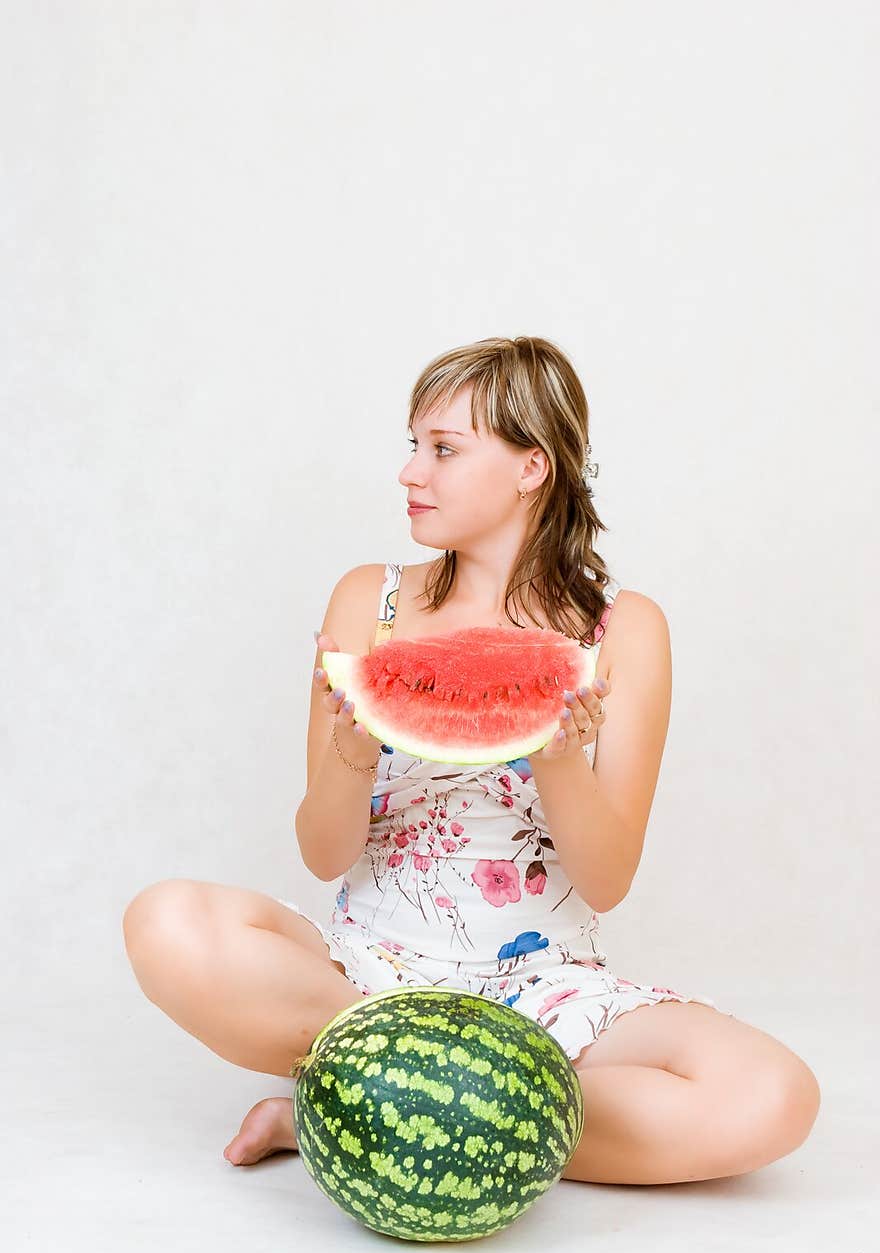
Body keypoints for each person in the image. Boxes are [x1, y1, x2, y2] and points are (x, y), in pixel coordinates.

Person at [123, 335, 820, 1185]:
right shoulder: (369, 600)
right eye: (413, 447)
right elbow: (323, 853)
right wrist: (351, 749)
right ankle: (431, 1094)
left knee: (771, 1096)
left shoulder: (626, 629)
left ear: (532, 468)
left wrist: (559, 757)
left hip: (544, 991)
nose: (412, 474)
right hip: (368, 979)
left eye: (445, 450)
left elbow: (606, 881)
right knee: (167, 921)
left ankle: (354, 1110)